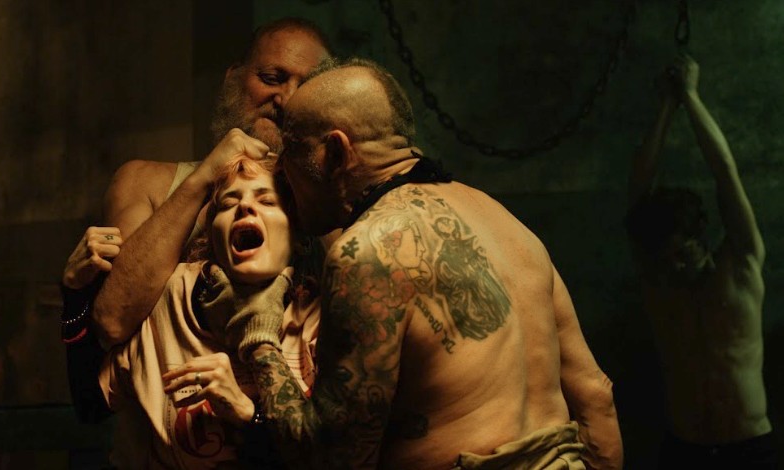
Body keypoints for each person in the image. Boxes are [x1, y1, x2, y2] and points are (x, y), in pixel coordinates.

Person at [199, 57, 623, 469]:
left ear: (336, 152)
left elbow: (328, 457)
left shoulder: (368, 251)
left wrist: (257, 333)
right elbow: (596, 395)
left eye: (291, 151)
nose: (282, 171)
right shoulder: (509, 226)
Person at [58, 17, 331, 422]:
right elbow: (112, 321)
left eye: (305, 88)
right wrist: (205, 177)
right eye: (272, 78)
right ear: (233, 79)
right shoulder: (145, 182)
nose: (286, 99)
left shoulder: (329, 206)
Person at [99, 155, 321, 468]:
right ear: (213, 238)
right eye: (229, 203)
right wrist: (75, 291)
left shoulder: (321, 314)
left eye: (267, 201)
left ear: (296, 235)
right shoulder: (171, 299)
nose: (244, 207)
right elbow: (91, 404)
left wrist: (248, 414)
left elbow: (328, 455)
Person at [625, 54, 777, 469]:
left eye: (682, 253)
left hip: (749, 448)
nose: (674, 266)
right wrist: (665, 106)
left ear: (702, 239)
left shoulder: (741, 266)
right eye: (666, 259)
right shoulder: (659, 282)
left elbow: (725, 173)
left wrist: (690, 97)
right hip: (685, 450)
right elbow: (639, 189)